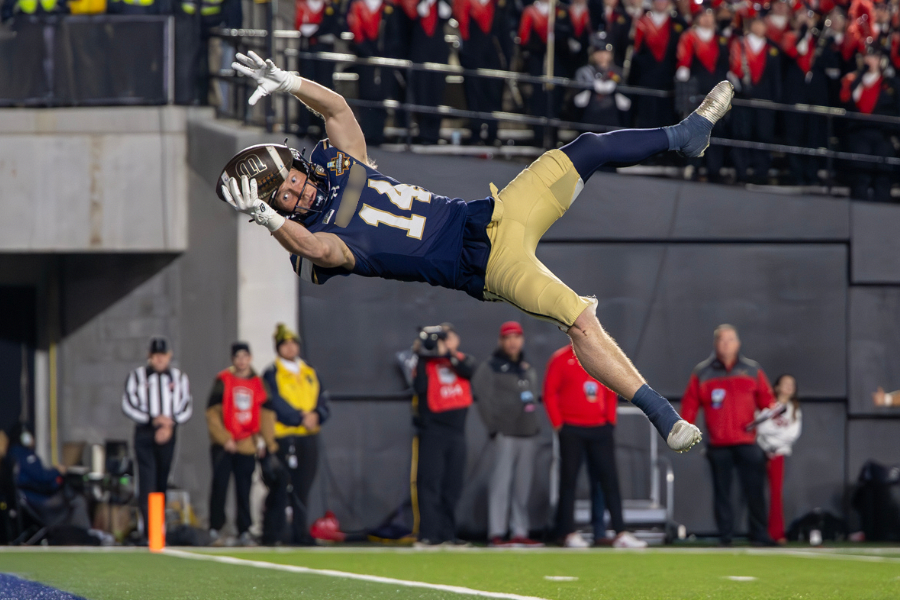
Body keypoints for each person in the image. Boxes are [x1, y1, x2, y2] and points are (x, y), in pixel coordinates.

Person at [217, 50, 737, 456]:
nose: (297, 194)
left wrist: (290, 82)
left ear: (300, 166)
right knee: (579, 321)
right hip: (487, 267)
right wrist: (270, 220)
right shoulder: (317, 241)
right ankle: (663, 415)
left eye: (292, 181)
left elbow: (338, 109)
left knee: (589, 148)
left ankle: (686, 134)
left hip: (495, 213)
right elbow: (316, 249)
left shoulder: (341, 164)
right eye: (283, 198)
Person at [680, 324, 777, 547]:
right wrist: (684, 429)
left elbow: (767, 400)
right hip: (718, 443)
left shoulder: (752, 370)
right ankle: (725, 536)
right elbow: (690, 404)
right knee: (722, 492)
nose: (726, 344)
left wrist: (773, 411)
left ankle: (759, 534)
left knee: (755, 490)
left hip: (748, 441)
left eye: (730, 340)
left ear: (738, 343)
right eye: (722, 340)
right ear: (715, 344)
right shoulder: (702, 372)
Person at [544, 344, 647, 548]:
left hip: (600, 429)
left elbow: (610, 389)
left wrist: (610, 421)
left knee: (610, 481)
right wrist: (559, 425)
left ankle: (620, 532)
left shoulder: (600, 357)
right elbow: (550, 393)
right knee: (568, 482)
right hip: (571, 428)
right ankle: (567, 532)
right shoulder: (560, 359)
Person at [472, 321, 543, 547]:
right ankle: (497, 532)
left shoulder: (526, 368)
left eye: (516, 337)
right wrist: (494, 427)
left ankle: (519, 531)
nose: (513, 342)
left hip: (527, 432)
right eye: (508, 338)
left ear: (522, 340)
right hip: (506, 432)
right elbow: (483, 398)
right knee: (501, 484)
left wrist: (534, 425)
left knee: (523, 485)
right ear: (501, 341)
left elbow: (532, 398)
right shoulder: (491, 367)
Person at [261, 324, 330, 545]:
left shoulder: (310, 372)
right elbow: (275, 402)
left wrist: (317, 415)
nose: (290, 348)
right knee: (281, 486)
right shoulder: (272, 373)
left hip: (308, 436)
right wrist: (300, 417)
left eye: (293, 344)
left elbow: (323, 399)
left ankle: (300, 532)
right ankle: (276, 532)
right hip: (285, 435)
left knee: (303, 485)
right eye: (285, 344)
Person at [206, 342, 278, 546]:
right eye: (238, 357)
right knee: (220, 486)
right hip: (224, 444)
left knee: (244, 488)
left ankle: (244, 529)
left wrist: (267, 443)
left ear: (250, 358)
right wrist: (224, 438)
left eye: (245, 356)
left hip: (247, 443)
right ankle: (215, 527)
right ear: (233, 360)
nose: (242, 361)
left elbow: (266, 415)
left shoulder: (259, 383)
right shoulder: (223, 381)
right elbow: (212, 413)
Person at [122, 337, 192, 538]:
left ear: (169, 356)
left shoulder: (178, 377)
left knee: (161, 480)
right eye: (156, 355)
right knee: (147, 481)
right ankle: (150, 531)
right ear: (149, 356)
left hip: (169, 432)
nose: (159, 359)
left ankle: (158, 527)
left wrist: (169, 423)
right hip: (145, 431)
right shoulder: (137, 376)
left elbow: (186, 404)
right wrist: (153, 420)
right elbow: (128, 403)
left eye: (163, 355)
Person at [412, 323, 475, 545]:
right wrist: (423, 353)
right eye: (441, 339)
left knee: (453, 485)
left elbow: (468, 371)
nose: (444, 341)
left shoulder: (462, 360)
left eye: (447, 337)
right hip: (433, 430)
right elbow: (419, 387)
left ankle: (448, 534)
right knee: (430, 482)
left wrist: (448, 354)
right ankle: (429, 534)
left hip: (457, 432)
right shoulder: (425, 362)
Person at [839, 47, 900, 202]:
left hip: (883, 132)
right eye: (867, 57)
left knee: (883, 170)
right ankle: (859, 201)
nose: (870, 60)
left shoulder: (890, 83)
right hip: (860, 131)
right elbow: (847, 100)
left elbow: (895, 106)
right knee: (861, 169)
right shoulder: (854, 80)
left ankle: (882, 202)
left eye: (874, 57)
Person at [728, 16, 782, 184]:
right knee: (741, 134)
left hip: (765, 99)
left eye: (763, 24)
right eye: (757, 24)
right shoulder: (740, 44)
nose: (760, 27)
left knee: (763, 135)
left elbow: (776, 77)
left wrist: (776, 99)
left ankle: (761, 172)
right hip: (743, 97)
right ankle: (741, 171)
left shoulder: (772, 48)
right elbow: (733, 67)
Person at [7, 423, 91, 531]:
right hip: (37, 500)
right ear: (25, 438)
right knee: (78, 501)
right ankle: (82, 535)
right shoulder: (25, 455)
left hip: (31, 499)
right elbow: (42, 477)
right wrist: (57, 471)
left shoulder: (12, 454)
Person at [755, 374, 801, 544]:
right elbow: (760, 427)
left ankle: (776, 532)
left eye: (792, 384)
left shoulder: (794, 409)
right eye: (786, 383)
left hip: (778, 454)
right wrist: (771, 443)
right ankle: (758, 532)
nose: (789, 387)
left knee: (776, 494)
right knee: (756, 493)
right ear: (776, 387)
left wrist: (774, 443)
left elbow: (792, 434)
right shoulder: (767, 406)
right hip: (761, 451)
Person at [573, 42, 629, 128]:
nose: (602, 55)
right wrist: (591, 87)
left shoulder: (618, 73)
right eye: (598, 52)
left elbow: (626, 104)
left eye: (605, 52)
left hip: (612, 120)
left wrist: (615, 89)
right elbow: (577, 101)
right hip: (589, 119)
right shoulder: (584, 72)